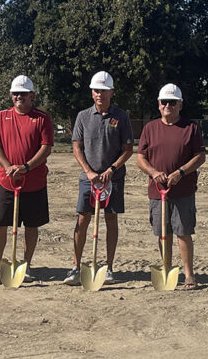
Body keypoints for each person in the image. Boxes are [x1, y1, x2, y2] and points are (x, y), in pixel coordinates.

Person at [64, 71, 134, 286]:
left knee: (111, 219)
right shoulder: (83, 116)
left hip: (113, 178)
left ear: (111, 92)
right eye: (96, 90)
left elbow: (128, 148)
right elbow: (76, 146)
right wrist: (88, 171)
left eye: (103, 90)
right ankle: (76, 267)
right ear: (92, 93)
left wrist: (112, 169)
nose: (99, 94)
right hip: (89, 178)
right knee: (82, 219)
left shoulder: (121, 116)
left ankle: (110, 268)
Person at [136, 83, 206, 290]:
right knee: (162, 233)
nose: (168, 105)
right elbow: (140, 158)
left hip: (183, 190)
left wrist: (181, 172)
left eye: (172, 102)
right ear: (159, 105)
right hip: (158, 192)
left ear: (180, 105)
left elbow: (200, 156)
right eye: (164, 102)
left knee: (183, 232)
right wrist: (154, 173)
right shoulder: (150, 128)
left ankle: (189, 275)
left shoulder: (190, 128)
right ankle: (166, 269)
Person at [0, 75, 54, 285]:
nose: (19, 97)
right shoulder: (1, 117)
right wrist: (8, 167)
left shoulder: (42, 118)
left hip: (34, 182)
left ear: (32, 96)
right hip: (7, 181)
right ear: (11, 95)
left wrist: (26, 167)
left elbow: (46, 148)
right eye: (16, 93)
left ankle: (26, 265)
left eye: (23, 94)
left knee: (31, 226)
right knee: (0, 224)